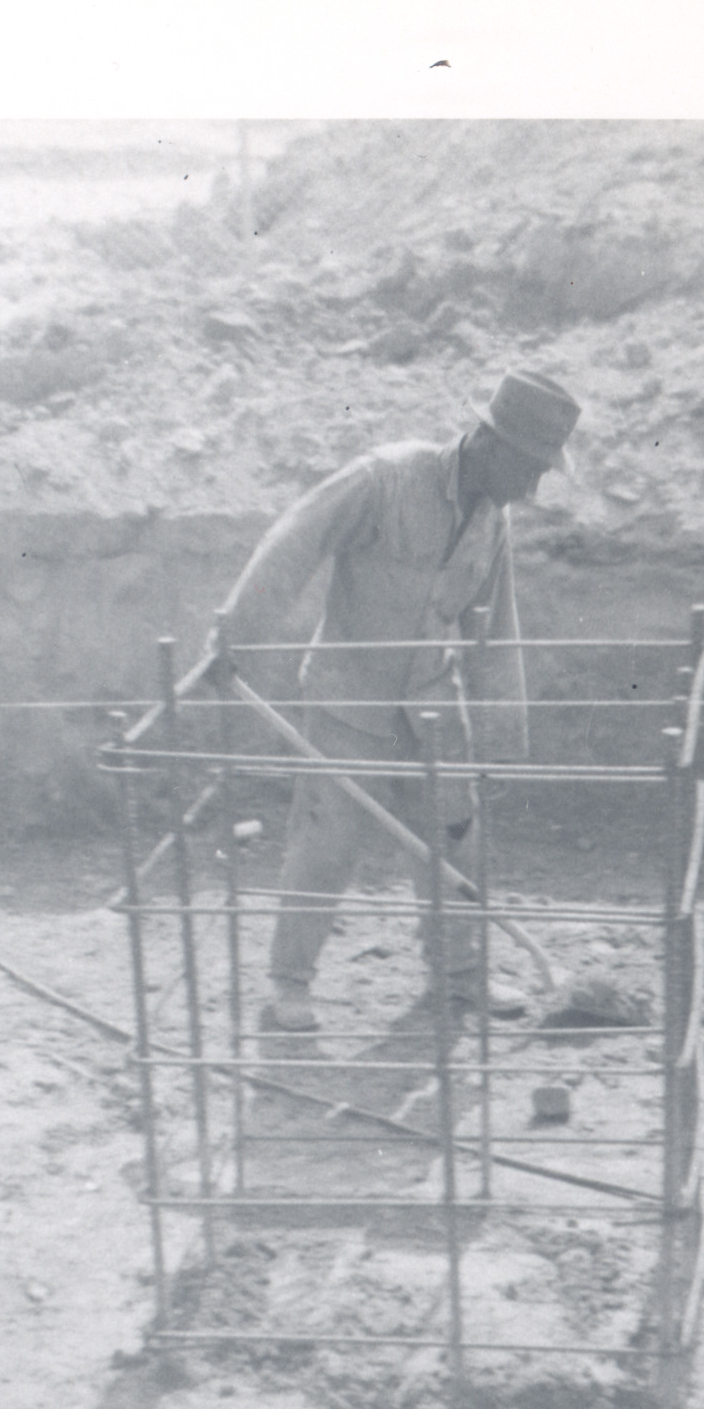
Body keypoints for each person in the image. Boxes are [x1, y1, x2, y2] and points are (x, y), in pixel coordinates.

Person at [208, 370, 582, 1033]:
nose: (532, 488)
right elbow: (296, 539)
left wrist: (499, 733)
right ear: (489, 446)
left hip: (431, 705)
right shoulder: (384, 480)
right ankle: (287, 985)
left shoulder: (488, 522)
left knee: (454, 836)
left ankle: (459, 978)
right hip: (348, 698)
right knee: (326, 838)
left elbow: (493, 626)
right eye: (530, 468)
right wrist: (236, 635)